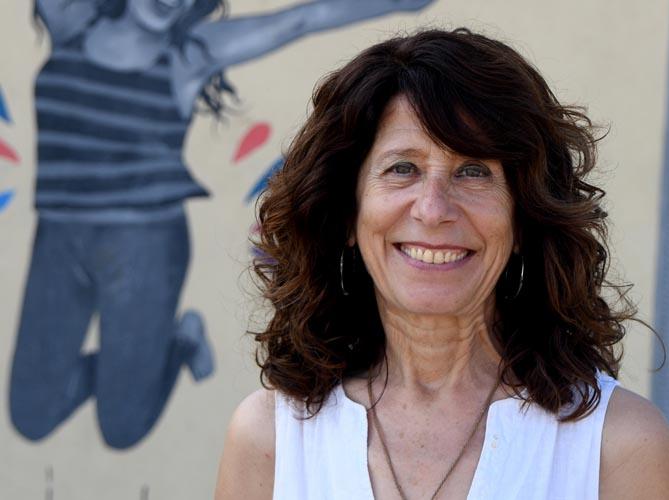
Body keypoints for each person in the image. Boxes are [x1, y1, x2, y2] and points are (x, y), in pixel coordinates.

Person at [215, 28, 669, 499]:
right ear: (346, 214)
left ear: (523, 217)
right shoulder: (269, 441)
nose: (433, 209)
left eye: (473, 171)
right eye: (403, 168)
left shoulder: (619, 446)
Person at [10, 0, 433, 449]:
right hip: (58, 240)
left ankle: (178, 344)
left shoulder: (186, 55)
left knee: (122, 429)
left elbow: (299, 20)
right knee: (31, 416)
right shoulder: (70, 22)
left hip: (143, 248)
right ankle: (134, 363)